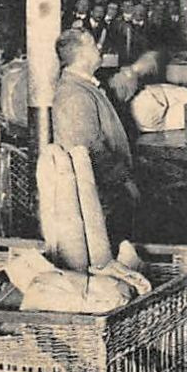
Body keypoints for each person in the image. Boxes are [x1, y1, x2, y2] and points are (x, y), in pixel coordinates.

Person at [52, 28, 138, 241]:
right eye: (92, 44)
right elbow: (91, 149)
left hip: (109, 195)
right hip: (102, 201)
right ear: (81, 55)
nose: (99, 48)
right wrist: (126, 182)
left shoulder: (85, 87)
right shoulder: (74, 94)